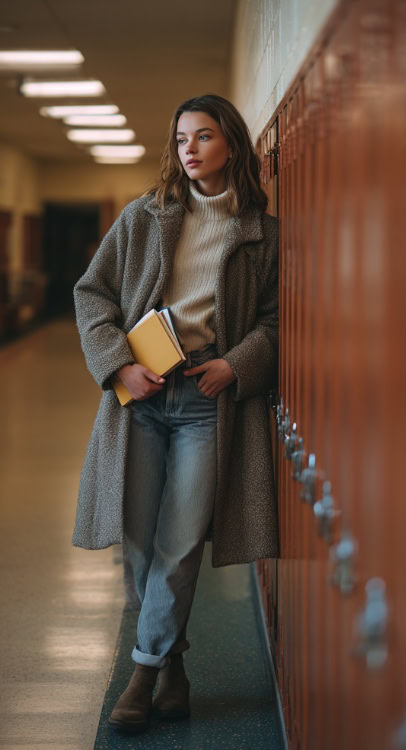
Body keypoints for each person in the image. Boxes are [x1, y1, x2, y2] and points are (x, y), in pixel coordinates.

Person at [72, 93, 280, 733]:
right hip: (144, 394)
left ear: (233, 147)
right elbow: (93, 293)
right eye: (183, 138)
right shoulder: (145, 216)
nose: (189, 149)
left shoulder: (260, 235)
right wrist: (116, 366)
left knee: (180, 543)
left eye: (205, 136)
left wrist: (237, 365)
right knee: (138, 542)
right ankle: (172, 665)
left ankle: (140, 674)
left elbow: (274, 322)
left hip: (204, 402)